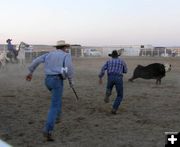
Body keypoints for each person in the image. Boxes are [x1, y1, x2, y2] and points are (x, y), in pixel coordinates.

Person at [26, 40, 74, 141]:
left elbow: (36, 61)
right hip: (57, 80)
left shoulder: (49, 54)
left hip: (47, 80)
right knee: (54, 105)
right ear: (64, 47)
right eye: (66, 48)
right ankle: (48, 130)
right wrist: (70, 81)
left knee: (57, 98)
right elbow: (68, 68)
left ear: (57, 47)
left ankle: (57, 116)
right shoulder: (66, 55)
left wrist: (30, 72)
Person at [98, 50, 127, 114]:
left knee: (109, 88)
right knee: (120, 95)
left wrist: (100, 77)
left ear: (112, 56)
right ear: (117, 56)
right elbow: (125, 71)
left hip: (110, 77)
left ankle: (107, 94)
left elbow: (103, 69)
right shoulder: (122, 61)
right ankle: (114, 108)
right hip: (119, 78)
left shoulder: (109, 61)